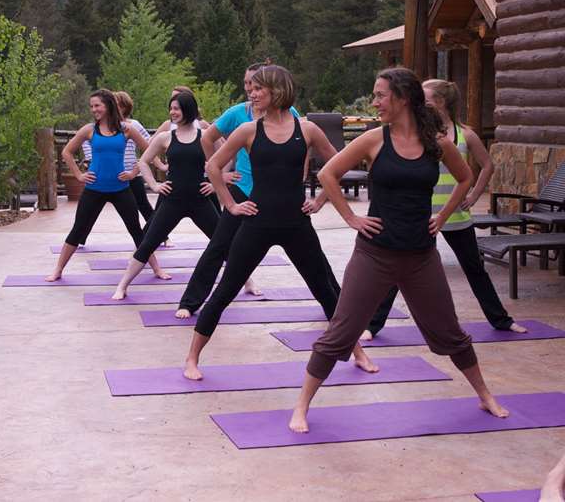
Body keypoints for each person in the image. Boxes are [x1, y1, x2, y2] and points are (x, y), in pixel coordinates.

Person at [289, 67, 508, 433]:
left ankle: (485, 395)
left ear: (403, 98)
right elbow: (328, 173)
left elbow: (466, 177)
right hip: (374, 254)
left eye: (380, 95)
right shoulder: (374, 140)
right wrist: (351, 217)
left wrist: (444, 215)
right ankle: (301, 406)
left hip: (421, 256)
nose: (375, 102)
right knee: (341, 333)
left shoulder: (436, 142)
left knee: (449, 332)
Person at [180, 65, 377, 381]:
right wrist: (230, 205)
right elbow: (214, 166)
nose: (252, 93)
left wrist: (321, 199)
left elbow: (336, 165)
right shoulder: (248, 130)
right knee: (226, 289)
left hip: (296, 223)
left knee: (326, 291)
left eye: (259, 88)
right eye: (252, 88)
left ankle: (358, 352)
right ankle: (192, 358)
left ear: (277, 90)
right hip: (257, 222)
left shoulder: (307, 129)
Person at [362, 79, 526, 339]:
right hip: (423, 218)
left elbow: (484, 167)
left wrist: (472, 196)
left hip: (455, 216)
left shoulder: (464, 134)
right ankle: (372, 326)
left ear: (441, 103)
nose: (419, 103)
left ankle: (502, 320)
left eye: (425, 99)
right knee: (398, 271)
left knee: (475, 270)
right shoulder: (419, 134)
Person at [173, 63, 299, 317]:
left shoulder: (290, 112)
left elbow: (302, 146)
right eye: (247, 84)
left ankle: (338, 308)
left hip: (277, 194)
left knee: (306, 252)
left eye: (255, 84)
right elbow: (207, 138)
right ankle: (190, 302)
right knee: (219, 245)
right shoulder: (237, 114)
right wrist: (220, 171)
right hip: (243, 189)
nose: (250, 89)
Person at [46, 89, 168, 282]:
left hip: (121, 189)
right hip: (95, 189)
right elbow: (67, 152)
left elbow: (149, 152)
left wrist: (133, 172)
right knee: (78, 229)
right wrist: (79, 175)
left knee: (136, 229)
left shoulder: (127, 129)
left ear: (108, 105)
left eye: (97, 105)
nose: (93, 109)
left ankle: (157, 269)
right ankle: (58, 270)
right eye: (91, 106)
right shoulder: (89, 130)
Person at [111, 92, 220, 299]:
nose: (172, 112)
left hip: (200, 200)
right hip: (172, 201)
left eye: (177, 108)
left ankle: (248, 282)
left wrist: (215, 185)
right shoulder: (165, 137)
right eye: (171, 108)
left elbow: (225, 158)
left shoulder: (205, 135)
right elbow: (143, 161)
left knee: (222, 242)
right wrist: (154, 185)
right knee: (148, 243)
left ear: (188, 109)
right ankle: (123, 285)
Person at [82, 91, 155, 227]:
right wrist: (92, 159)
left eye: (120, 106)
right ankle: (80, 238)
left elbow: (149, 145)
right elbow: (85, 143)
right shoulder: (95, 128)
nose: (117, 108)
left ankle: (161, 236)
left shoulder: (132, 126)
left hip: (130, 174)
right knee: (91, 211)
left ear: (126, 108)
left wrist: (137, 168)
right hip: (106, 176)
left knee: (142, 205)